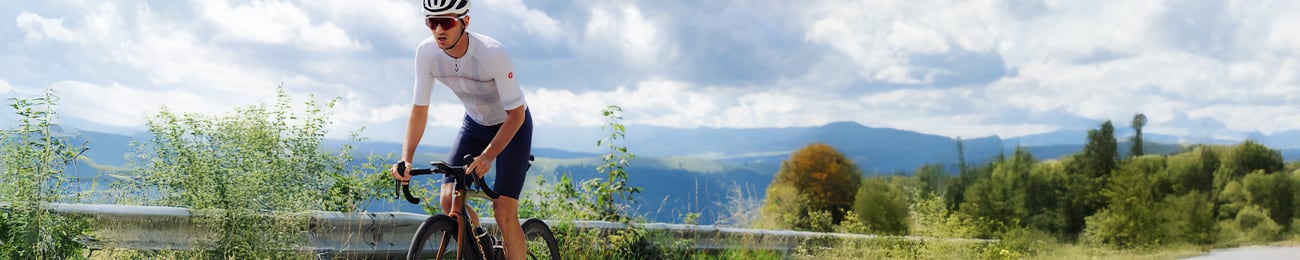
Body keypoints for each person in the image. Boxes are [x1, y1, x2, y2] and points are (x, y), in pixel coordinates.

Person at [390, 0, 533, 258]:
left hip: (512, 126)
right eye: (432, 22)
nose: (438, 30)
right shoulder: (426, 53)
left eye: (446, 22)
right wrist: (406, 159)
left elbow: (516, 114)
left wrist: (489, 155)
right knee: (448, 200)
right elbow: (420, 109)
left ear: (465, 22)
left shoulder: (492, 53)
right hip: (474, 124)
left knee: (503, 211)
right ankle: (480, 240)